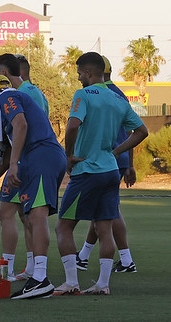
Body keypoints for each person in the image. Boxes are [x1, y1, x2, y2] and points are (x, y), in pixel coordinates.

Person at [54, 52, 148, 296]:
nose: (77, 78)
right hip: (109, 170)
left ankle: (71, 282)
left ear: (88, 72)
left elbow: (73, 125)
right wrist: (116, 151)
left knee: (63, 227)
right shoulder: (118, 99)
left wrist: (69, 155)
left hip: (87, 170)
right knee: (104, 228)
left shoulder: (83, 95)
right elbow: (141, 131)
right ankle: (103, 284)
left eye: (78, 73)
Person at [0, 74, 67, 299]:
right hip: (38, 156)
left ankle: (40, 279)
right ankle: (37, 276)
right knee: (34, 216)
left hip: (40, 155)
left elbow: (21, 124)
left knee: (37, 215)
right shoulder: (8, 102)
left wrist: (15, 163)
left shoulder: (7, 96)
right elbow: (5, 158)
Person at [76, 56, 138, 274]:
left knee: (108, 212)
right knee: (103, 211)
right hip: (115, 158)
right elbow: (134, 130)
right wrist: (129, 163)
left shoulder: (98, 93)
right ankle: (84, 257)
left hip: (104, 158)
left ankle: (126, 259)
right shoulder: (118, 94)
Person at [0, 53, 49, 281]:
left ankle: (12, 269)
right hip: (32, 157)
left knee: (11, 213)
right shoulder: (37, 92)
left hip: (26, 159)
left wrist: (14, 161)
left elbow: (22, 126)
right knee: (27, 216)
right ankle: (32, 267)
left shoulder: (16, 94)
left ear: (4, 73)